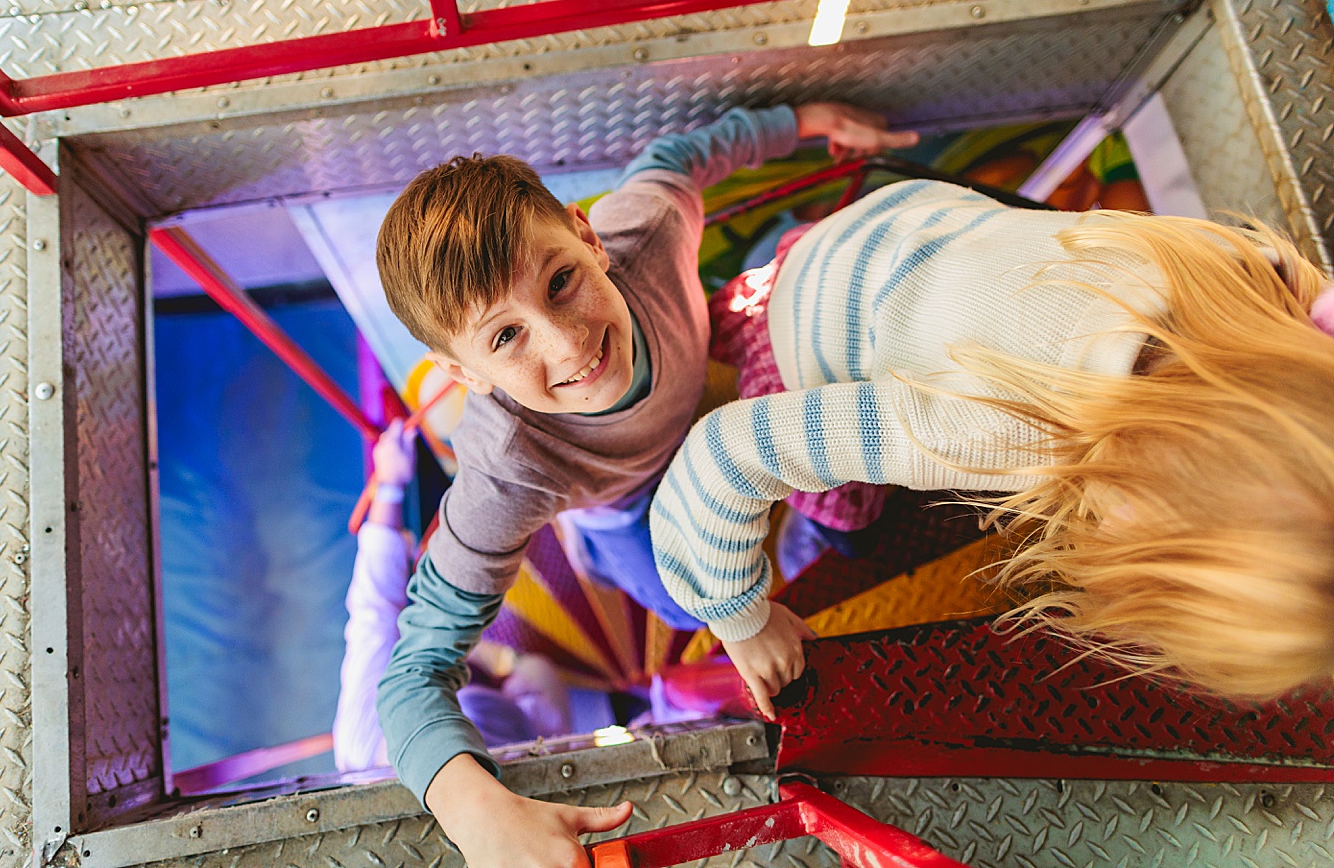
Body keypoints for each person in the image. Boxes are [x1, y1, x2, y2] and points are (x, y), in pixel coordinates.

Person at [372, 104, 918, 867]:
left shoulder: (650, 233)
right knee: (681, 597)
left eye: (561, 281)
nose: (568, 344)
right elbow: (412, 670)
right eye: (506, 336)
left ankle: (818, 524)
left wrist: (807, 119)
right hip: (629, 508)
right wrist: (474, 811)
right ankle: (611, 551)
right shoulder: (507, 468)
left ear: (589, 235)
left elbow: (684, 152)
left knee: (843, 485)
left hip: (710, 383)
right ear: (468, 376)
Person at [650, 178, 1334, 718]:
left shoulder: (1248, 278)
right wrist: (742, 617)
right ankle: (811, 541)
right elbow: (726, 450)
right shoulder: (995, 425)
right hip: (803, 331)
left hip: (894, 225)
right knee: (852, 522)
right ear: (1140, 490)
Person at [334, 419, 571, 773]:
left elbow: (375, 611)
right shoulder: (363, 750)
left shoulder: (363, 753)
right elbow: (375, 611)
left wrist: (390, 487)